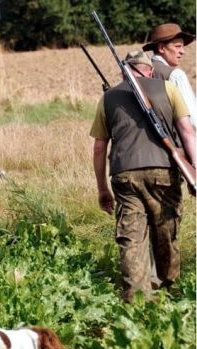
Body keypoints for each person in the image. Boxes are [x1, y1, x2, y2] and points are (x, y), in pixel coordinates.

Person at [90, 51, 195, 303]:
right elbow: (188, 133)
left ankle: (137, 301)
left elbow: (98, 148)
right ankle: (169, 290)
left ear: (124, 72)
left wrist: (102, 189)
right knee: (166, 233)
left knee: (132, 239)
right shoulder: (168, 88)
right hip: (163, 172)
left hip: (124, 175)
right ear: (149, 71)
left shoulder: (108, 97)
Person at [142, 23, 197, 128]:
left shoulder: (139, 72)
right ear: (162, 48)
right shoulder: (176, 75)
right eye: (177, 47)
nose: (182, 52)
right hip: (178, 141)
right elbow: (193, 119)